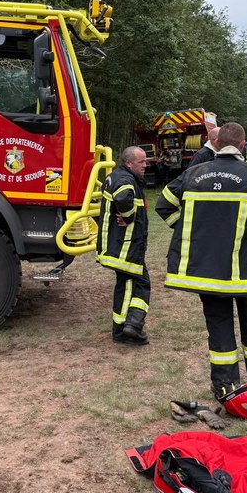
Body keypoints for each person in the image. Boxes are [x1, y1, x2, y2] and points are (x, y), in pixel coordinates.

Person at [156, 122, 247, 395]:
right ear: (243, 145)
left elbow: (163, 204)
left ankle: (225, 384)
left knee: (218, 324)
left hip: (207, 269)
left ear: (216, 144)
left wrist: (187, 231)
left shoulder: (193, 174)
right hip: (245, 269)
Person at [97, 146, 151, 345]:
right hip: (125, 245)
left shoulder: (116, 175)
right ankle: (130, 327)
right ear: (129, 163)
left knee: (126, 284)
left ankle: (124, 327)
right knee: (137, 283)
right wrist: (128, 217)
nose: (146, 165)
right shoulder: (125, 180)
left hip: (119, 244)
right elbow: (123, 197)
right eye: (142, 162)